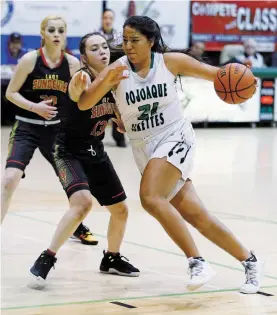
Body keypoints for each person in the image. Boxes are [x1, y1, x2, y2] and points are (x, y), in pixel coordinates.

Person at [78, 16, 264, 294]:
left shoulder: (169, 62)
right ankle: (250, 261)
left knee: (150, 197)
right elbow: (84, 103)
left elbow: (218, 75)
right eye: (125, 40)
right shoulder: (117, 69)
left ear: (151, 41)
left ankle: (197, 262)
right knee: (197, 216)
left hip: (175, 137)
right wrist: (105, 83)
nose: (128, 46)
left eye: (135, 40)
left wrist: (244, 77)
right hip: (144, 147)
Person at [29, 32, 139, 286]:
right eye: (94, 48)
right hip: (67, 150)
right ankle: (47, 257)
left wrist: (121, 121)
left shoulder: (117, 81)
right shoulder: (82, 77)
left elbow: (116, 117)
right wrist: (78, 85)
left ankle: (111, 258)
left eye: (104, 46)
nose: (102, 51)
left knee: (120, 210)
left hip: (94, 150)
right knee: (82, 202)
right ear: (84, 57)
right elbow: (79, 94)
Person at [2, 15, 96, 246]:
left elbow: (82, 100)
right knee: (9, 179)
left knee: (73, 184)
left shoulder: (73, 64)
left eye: (61, 30)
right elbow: (10, 94)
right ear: (43, 33)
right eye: (51, 30)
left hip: (57, 131)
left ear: (65, 35)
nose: (56, 34)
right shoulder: (30, 60)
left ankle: (77, 226)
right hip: (26, 127)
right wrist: (35, 107)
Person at [98, 8, 127, 147]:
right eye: (105, 18)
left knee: (118, 107)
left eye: (110, 18)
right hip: (99, 76)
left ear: (113, 20)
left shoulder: (119, 37)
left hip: (115, 78)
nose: (107, 20)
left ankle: (120, 139)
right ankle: (93, 139)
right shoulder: (95, 36)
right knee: (97, 108)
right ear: (102, 19)